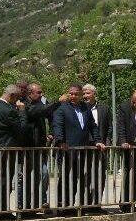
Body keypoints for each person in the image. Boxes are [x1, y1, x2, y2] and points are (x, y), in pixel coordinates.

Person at [52, 83, 104, 211]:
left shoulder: (86, 108)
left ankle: (73, 205)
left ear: (81, 95)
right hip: (67, 150)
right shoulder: (62, 108)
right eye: (71, 93)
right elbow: (57, 126)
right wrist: (60, 141)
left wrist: (97, 141)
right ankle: (62, 206)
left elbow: (93, 126)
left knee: (77, 178)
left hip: (82, 150)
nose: (73, 96)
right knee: (65, 178)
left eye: (76, 94)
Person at [19, 82, 65, 210]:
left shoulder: (39, 104)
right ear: (30, 93)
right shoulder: (24, 104)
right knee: (29, 178)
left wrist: (50, 134)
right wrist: (58, 102)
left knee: (44, 174)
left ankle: (40, 202)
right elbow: (40, 111)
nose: (41, 94)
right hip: (29, 147)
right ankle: (25, 205)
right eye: (38, 92)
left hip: (40, 147)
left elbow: (50, 116)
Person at [0, 84, 29, 216]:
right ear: (12, 96)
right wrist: (22, 111)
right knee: (4, 183)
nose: (17, 101)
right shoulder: (8, 110)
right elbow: (22, 128)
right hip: (6, 151)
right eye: (16, 98)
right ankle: (3, 211)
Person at [82, 83, 111, 205]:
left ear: (94, 94)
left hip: (101, 147)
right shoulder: (80, 108)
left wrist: (107, 141)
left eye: (87, 93)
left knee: (100, 176)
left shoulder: (104, 108)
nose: (85, 96)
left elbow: (110, 126)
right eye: (83, 93)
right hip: (85, 147)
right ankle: (84, 204)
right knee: (85, 176)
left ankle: (96, 204)